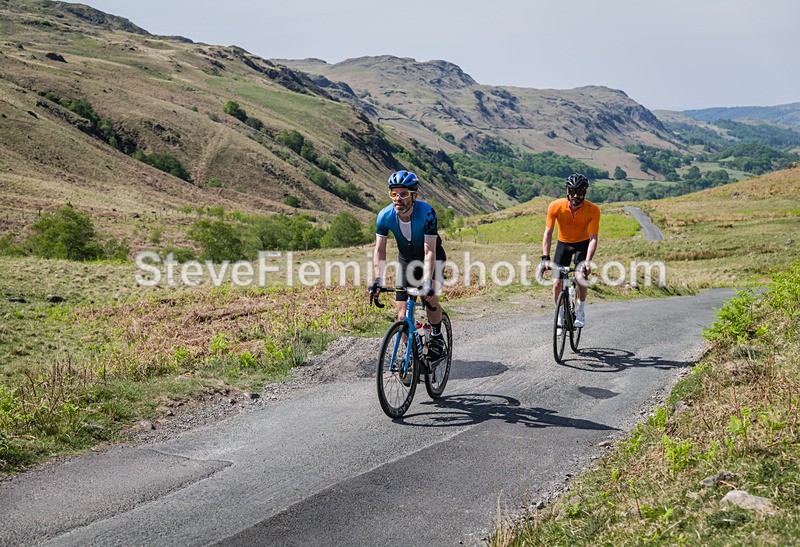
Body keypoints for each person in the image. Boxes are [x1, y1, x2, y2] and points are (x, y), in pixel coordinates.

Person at [369, 170, 447, 362]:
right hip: (407, 262)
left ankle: (436, 336)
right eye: (394, 194)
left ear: (414, 196)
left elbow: (429, 250)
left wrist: (427, 282)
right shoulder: (384, 216)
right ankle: (410, 354)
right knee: (402, 314)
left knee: (430, 298)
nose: (398, 199)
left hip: (432, 258)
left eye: (403, 194)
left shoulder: (427, 213)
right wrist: (378, 280)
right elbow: (380, 250)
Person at [540, 173, 600, 328]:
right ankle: (560, 316)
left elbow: (593, 238)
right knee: (557, 283)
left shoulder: (593, 210)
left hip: (582, 244)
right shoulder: (555, 206)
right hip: (563, 244)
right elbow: (548, 233)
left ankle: (581, 310)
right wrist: (545, 257)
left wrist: (587, 261)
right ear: (567, 190)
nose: (575, 195)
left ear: (585, 193)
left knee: (579, 276)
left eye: (579, 192)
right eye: (572, 191)